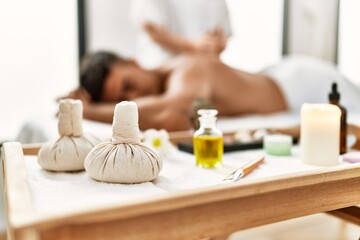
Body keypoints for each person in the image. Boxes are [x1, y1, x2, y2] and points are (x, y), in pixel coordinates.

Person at [64, 51, 360, 132]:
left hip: (303, 84)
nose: (135, 96)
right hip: (275, 76)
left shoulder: (186, 69)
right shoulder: (168, 81)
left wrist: (85, 110)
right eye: (123, 99)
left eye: (128, 84)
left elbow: (174, 115)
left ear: (133, 62)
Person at [129, 0, 231, 68]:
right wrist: (194, 47)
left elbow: (221, 30)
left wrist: (215, 43)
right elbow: (150, 26)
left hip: (205, 69)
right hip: (162, 67)